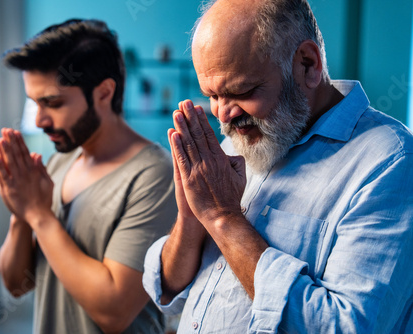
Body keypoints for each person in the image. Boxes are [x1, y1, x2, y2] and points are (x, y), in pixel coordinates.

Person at [142, 0, 413, 333]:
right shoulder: (240, 141)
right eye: (212, 95)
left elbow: (345, 327)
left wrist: (223, 219)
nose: (223, 115)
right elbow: (168, 292)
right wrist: (190, 219)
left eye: (242, 90)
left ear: (307, 64)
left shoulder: (391, 163)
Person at [0, 19, 177, 334]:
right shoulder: (57, 164)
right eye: (34, 103)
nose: (39, 120)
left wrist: (38, 214)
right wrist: (20, 214)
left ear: (104, 92)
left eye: (53, 103)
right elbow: (16, 284)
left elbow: (114, 312)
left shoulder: (155, 176)